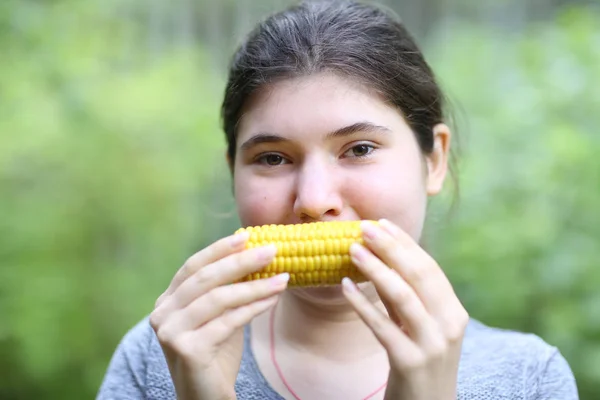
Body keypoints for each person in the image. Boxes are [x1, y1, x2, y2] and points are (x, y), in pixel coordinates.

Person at [97, 1, 579, 399]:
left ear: (434, 161)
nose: (313, 201)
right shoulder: (160, 357)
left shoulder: (528, 380)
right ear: (233, 172)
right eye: (272, 158)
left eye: (360, 149)